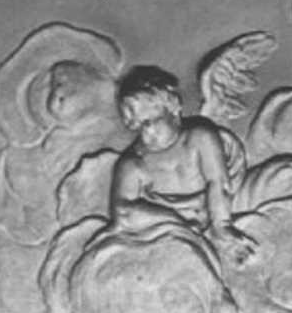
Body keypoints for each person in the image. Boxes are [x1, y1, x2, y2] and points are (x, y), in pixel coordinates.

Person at [108, 66, 256, 261]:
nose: (146, 134)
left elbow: (218, 182)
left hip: (211, 213)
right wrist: (176, 222)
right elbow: (123, 211)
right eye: (136, 126)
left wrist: (222, 225)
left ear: (173, 107)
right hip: (165, 230)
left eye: (150, 122)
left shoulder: (199, 139)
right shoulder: (133, 164)